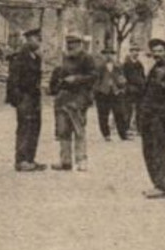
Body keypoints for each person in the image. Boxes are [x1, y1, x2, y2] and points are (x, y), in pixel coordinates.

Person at [49, 33, 99, 171]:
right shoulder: (64, 58)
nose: (70, 45)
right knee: (63, 130)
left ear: (80, 44)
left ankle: (81, 160)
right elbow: (58, 75)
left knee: (78, 130)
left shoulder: (87, 58)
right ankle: (65, 161)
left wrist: (76, 79)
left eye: (74, 42)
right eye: (68, 42)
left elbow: (94, 76)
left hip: (79, 98)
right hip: (63, 98)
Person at [136, 39, 165, 198]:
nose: (157, 54)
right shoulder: (155, 68)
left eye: (161, 51)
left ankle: (162, 186)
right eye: (155, 51)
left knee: (159, 151)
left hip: (159, 118)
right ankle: (156, 184)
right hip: (148, 116)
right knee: (149, 151)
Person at [6, 29, 47, 172]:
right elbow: (13, 80)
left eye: (40, 39)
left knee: (35, 127)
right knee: (25, 127)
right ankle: (21, 160)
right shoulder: (20, 57)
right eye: (37, 38)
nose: (39, 42)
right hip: (25, 97)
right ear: (28, 39)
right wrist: (18, 99)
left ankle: (30, 159)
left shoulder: (36, 57)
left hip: (34, 97)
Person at [93, 49, 125, 141]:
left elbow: (122, 78)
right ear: (103, 55)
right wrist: (97, 91)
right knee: (103, 114)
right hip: (103, 94)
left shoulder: (118, 67)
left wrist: (121, 88)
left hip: (115, 93)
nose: (109, 56)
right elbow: (95, 81)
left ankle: (122, 134)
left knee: (119, 113)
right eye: (106, 54)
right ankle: (106, 134)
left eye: (111, 54)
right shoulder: (99, 67)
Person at [119, 47, 146, 141]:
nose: (135, 53)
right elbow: (123, 77)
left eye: (137, 51)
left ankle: (140, 129)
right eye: (133, 51)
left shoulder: (139, 64)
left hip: (139, 90)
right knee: (127, 110)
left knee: (140, 110)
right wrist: (127, 86)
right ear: (130, 52)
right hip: (130, 90)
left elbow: (142, 76)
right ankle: (125, 129)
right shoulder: (126, 64)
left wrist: (143, 86)